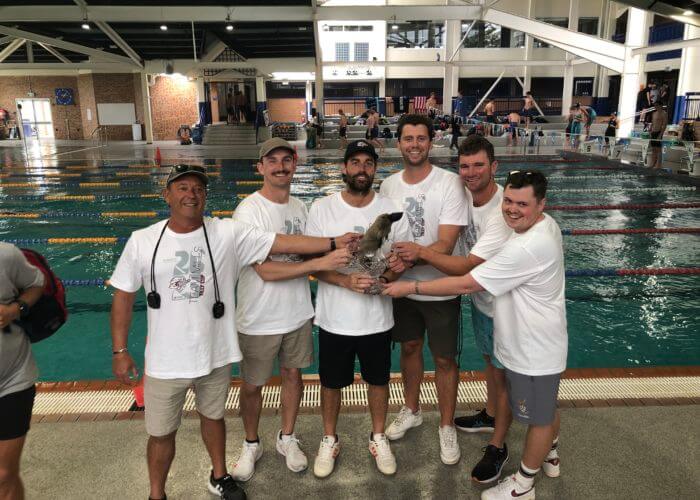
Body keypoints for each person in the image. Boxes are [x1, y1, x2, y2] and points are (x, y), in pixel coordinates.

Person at [110, 164, 358, 500]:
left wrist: (331, 241)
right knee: (161, 434)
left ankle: (219, 476)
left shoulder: (226, 233)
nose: (190, 194)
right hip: (165, 362)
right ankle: (157, 493)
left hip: (215, 354)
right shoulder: (143, 241)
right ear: (167, 194)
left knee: (214, 419)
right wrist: (120, 351)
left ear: (205, 197)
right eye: (182, 187)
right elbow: (123, 295)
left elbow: (280, 240)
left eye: (198, 188)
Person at [383, 169, 567, 500]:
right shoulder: (543, 225)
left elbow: (468, 282)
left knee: (537, 417)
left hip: (534, 348)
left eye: (522, 204)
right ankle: (550, 453)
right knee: (543, 407)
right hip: (531, 340)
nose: (511, 209)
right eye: (508, 200)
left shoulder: (529, 245)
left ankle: (523, 486)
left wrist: (410, 286)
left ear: (542, 204)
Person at [231, 138, 352, 482]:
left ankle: (287, 437)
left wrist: (348, 263)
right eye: (272, 161)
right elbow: (265, 270)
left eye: (287, 159)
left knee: (293, 377)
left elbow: (309, 257)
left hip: (297, 313)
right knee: (253, 385)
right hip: (258, 316)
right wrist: (325, 255)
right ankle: (251, 443)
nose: (280, 166)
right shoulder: (249, 210)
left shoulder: (301, 208)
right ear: (260, 167)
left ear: (295, 164)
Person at [406, 136, 514, 483]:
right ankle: (490, 414)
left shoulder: (502, 210)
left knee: (506, 374)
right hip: (485, 303)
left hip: (509, 306)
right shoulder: (464, 197)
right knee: (488, 362)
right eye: (464, 166)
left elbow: (467, 266)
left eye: (478, 165)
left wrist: (420, 255)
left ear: (494, 167)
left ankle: (500, 445)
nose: (470, 172)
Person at [306, 140, 409, 478]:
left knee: (379, 380)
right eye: (355, 162)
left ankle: (378, 436)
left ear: (374, 169)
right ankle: (329, 437)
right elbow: (313, 266)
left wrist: (386, 278)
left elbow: (403, 260)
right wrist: (346, 282)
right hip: (335, 319)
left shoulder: (392, 207)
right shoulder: (322, 209)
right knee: (331, 383)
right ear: (344, 168)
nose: (361, 168)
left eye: (368, 162)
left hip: (377, 318)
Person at [380, 114, 471, 466]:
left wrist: (409, 260)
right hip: (405, 289)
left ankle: (446, 425)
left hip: (442, 289)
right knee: (410, 348)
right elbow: (387, 241)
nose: (414, 144)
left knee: (446, 360)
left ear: (430, 142)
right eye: (408, 138)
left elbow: (447, 245)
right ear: (398, 143)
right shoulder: (388, 187)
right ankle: (412, 409)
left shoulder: (449, 184)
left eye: (421, 138)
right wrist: (388, 272)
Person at [0, 243, 45, 500]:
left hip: (12, 380)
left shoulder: (6, 255)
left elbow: (37, 283)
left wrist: (15, 309)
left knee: (4, 474)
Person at [649, 103, 668, 169]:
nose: (655, 107)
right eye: (655, 105)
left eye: (657, 105)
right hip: (653, 132)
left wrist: (660, 134)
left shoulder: (664, 113)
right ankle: (652, 164)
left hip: (658, 132)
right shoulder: (654, 113)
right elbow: (652, 122)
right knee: (653, 149)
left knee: (658, 150)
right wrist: (650, 130)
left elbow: (664, 125)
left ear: (660, 106)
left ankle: (658, 165)